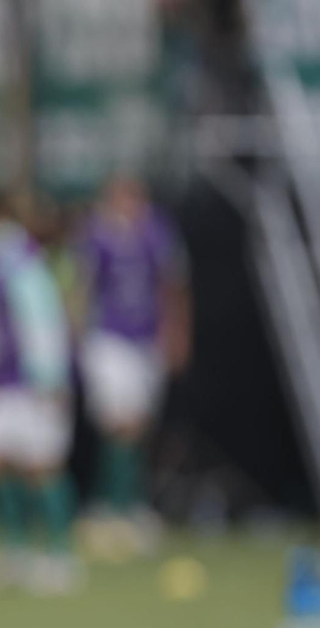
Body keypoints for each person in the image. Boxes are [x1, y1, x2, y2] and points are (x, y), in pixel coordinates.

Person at [0, 190, 79, 594]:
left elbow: (40, 314)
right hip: (0, 380)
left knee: (41, 466)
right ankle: (16, 548)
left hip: (31, 380)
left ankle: (61, 556)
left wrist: (49, 375)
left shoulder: (14, 255)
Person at [78, 174, 189, 557]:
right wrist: (75, 331)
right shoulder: (94, 234)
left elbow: (172, 285)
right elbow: (83, 285)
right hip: (109, 337)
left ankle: (127, 504)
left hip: (146, 340)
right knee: (117, 422)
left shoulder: (157, 232)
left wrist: (175, 333)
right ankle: (112, 507)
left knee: (137, 426)